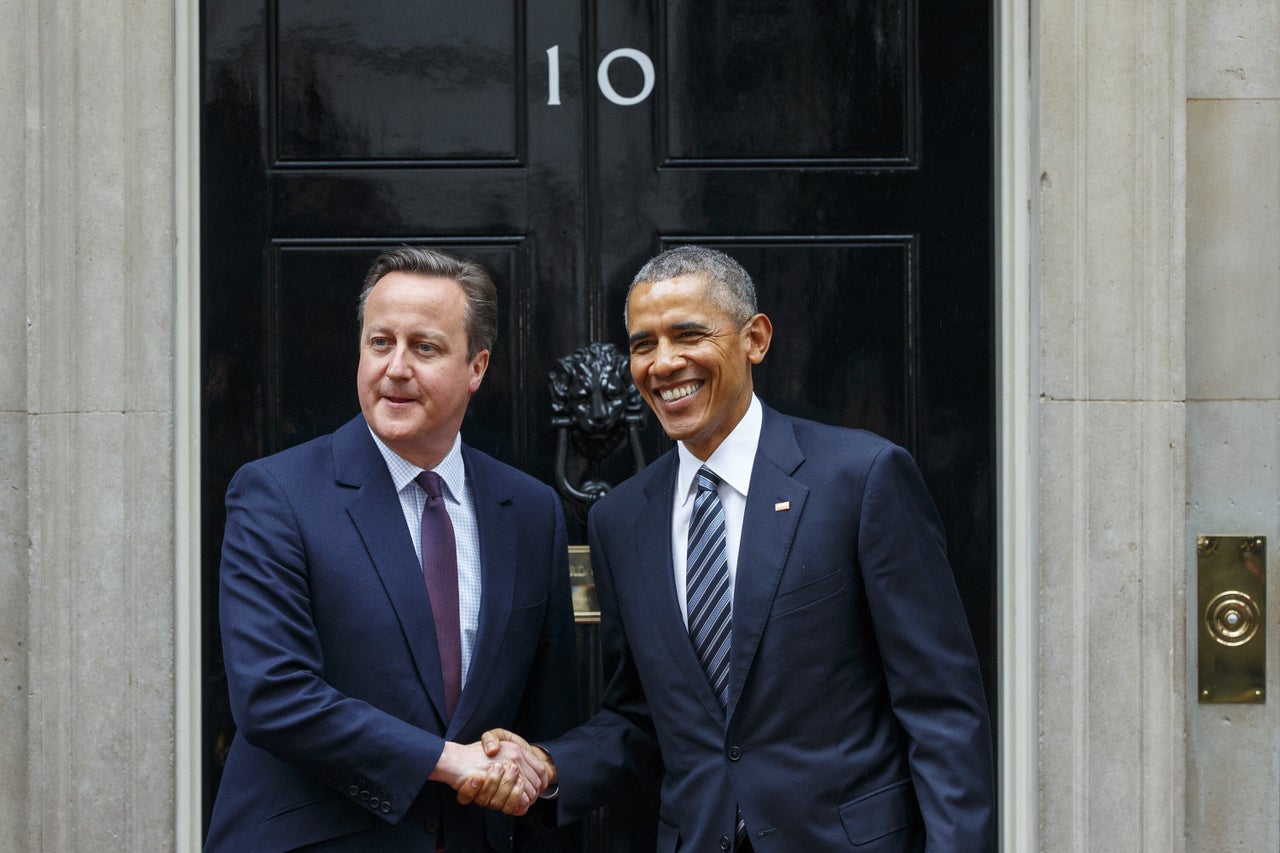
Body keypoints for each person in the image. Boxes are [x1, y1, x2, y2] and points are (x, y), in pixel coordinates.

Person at [472, 246, 995, 851]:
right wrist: (549, 766)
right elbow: (643, 718)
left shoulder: (862, 479)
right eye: (643, 344)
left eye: (688, 334)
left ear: (755, 338)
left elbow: (942, 711)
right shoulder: (620, 520)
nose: (664, 363)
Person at [206, 246, 577, 852]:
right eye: (380, 343)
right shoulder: (276, 493)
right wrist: (448, 762)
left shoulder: (531, 510)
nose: (396, 367)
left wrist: (532, 765)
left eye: (424, 347)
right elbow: (272, 694)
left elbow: (550, 710)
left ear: (476, 367)